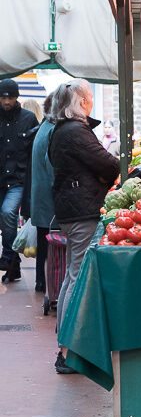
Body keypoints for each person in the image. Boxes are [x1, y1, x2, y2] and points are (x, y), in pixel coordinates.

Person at [48, 79, 119, 375]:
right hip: (81, 211)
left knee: (72, 275)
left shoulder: (60, 131)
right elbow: (109, 164)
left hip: (72, 208)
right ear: (81, 104)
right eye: (88, 98)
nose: (91, 102)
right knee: (76, 275)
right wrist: (104, 178)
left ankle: (66, 345)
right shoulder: (76, 132)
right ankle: (68, 350)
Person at [0, 79, 38, 284]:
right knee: (6, 219)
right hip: (1, 179)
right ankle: (13, 266)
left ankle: (7, 259)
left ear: (17, 98)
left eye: (10, 97)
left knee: (8, 213)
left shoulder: (28, 119)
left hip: (18, 180)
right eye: (3, 97)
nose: (7, 101)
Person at [30, 94, 57, 294]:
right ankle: (48, 284)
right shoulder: (52, 131)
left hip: (41, 200)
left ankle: (41, 282)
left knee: (43, 246)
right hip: (49, 202)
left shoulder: (43, 127)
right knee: (50, 246)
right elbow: (52, 169)